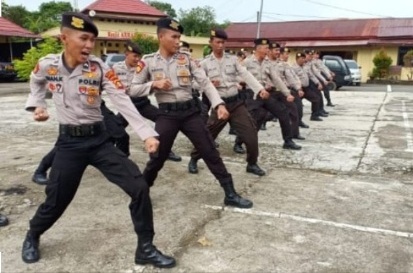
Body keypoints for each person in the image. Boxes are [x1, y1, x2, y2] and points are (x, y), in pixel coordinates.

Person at [21, 12, 175, 268]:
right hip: (69, 145)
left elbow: (122, 100)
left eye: (92, 40)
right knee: (56, 201)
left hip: (99, 141)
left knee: (139, 187)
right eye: (83, 38)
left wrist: (146, 133)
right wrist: (37, 105)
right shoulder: (48, 64)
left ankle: (145, 248)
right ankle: (33, 234)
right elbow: (35, 81)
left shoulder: (99, 68)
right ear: (64, 38)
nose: (89, 46)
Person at [129, 17, 253, 209]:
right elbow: (132, 89)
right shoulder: (147, 62)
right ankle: (142, 192)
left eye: (179, 37)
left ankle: (230, 193)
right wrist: (153, 84)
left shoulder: (186, 60)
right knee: (158, 158)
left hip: (190, 114)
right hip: (167, 115)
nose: (178, 41)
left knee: (210, 151)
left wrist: (218, 104)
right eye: (174, 37)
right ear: (161, 37)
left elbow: (205, 83)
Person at [187, 28, 268, 176]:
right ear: (210, 43)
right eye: (217, 42)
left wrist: (259, 89)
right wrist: (210, 82)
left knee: (251, 134)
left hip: (236, 104)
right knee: (207, 137)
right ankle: (193, 159)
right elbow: (194, 84)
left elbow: (246, 74)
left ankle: (252, 163)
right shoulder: (204, 63)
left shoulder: (232, 60)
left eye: (223, 42)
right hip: (220, 106)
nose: (220, 45)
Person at [31, 100, 130, 185]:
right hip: (77, 108)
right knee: (68, 143)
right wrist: (39, 105)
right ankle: (40, 170)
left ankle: (122, 166)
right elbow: (40, 82)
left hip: (96, 105)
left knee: (119, 134)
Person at [114, 41, 182, 162]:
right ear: (126, 54)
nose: (137, 59)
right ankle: (118, 155)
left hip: (142, 103)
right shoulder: (116, 68)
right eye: (134, 56)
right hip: (127, 106)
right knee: (115, 128)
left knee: (163, 120)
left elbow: (152, 86)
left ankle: (165, 150)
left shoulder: (144, 67)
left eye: (139, 56)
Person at [236, 38, 301, 150]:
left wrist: (287, 93)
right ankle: (238, 143)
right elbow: (236, 75)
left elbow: (276, 79)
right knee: (253, 120)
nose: (268, 50)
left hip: (266, 94)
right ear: (258, 49)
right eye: (266, 48)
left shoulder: (267, 63)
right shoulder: (247, 62)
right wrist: (241, 81)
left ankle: (288, 141)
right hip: (253, 95)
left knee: (283, 112)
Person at [292, 52, 322, 122]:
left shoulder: (305, 67)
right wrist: (298, 88)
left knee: (316, 98)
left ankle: (314, 116)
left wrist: (318, 83)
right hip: (298, 89)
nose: (303, 60)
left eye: (304, 58)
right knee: (297, 106)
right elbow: (292, 79)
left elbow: (311, 76)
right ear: (297, 59)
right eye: (301, 58)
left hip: (306, 88)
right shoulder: (293, 68)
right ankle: (297, 121)